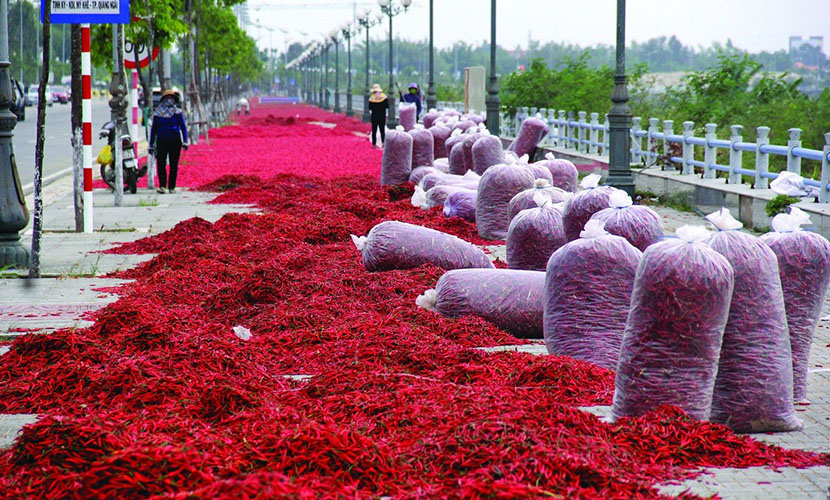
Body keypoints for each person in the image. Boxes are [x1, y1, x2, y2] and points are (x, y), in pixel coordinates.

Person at [149, 89, 188, 194]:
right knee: (161, 163)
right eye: (167, 98)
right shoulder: (158, 113)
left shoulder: (177, 112)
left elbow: (183, 127)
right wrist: (151, 144)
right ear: (163, 100)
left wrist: (185, 141)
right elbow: (154, 129)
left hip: (175, 141)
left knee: (173, 164)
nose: (169, 100)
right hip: (161, 140)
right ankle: (162, 186)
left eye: (171, 98)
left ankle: (172, 187)